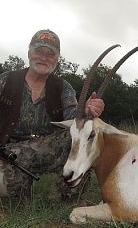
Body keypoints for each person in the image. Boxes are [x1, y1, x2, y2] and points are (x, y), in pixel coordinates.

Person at [0, 29, 104, 198]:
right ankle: (22, 183)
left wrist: (85, 112)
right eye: (39, 51)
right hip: (10, 151)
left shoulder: (63, 87)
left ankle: (63, 191)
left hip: (50, 151)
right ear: (29, 52)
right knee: (7, 189)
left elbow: (73, 119)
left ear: (57, 59)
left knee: (83, 136)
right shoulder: (6, 80)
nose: (43, 57)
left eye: (50, 54)